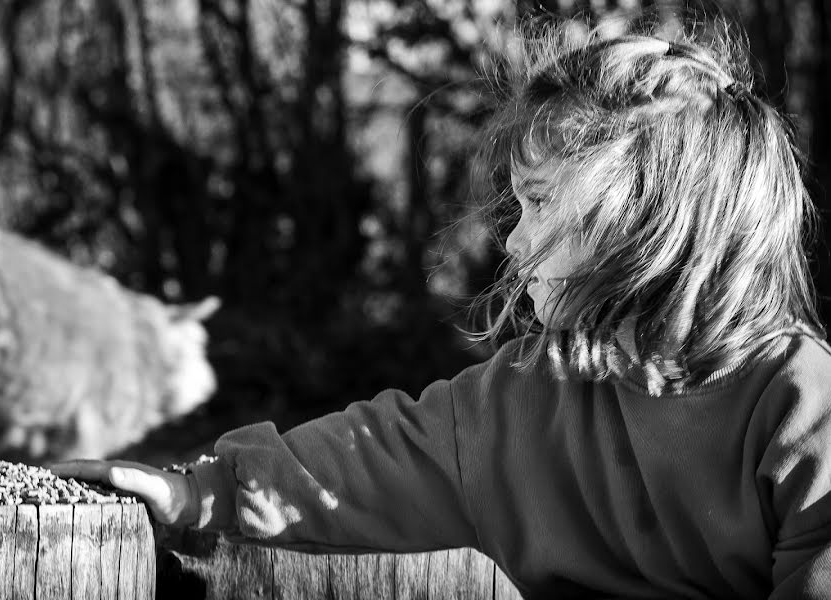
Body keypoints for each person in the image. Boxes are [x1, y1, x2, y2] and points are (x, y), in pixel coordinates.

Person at [50, 12, 831, 598]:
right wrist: (197, 490)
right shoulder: (521, 400)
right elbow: (363, 461)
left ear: (650, 219)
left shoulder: (801, 406)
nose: (515, 246)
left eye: (539, 202)